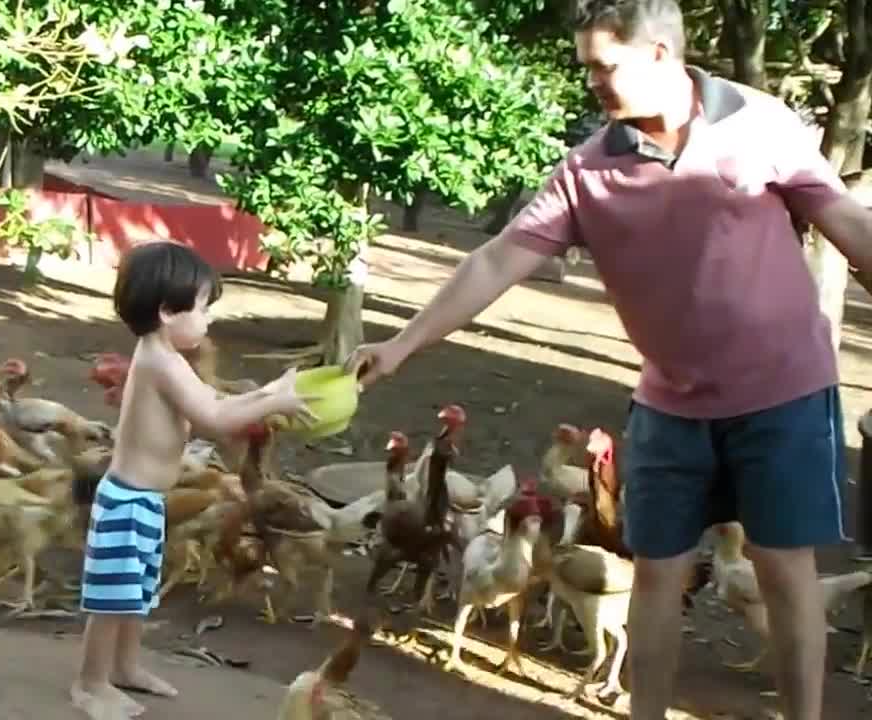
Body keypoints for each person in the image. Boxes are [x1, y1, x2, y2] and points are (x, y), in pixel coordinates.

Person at [346, 1, 872, 718]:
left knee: (784, 570)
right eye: (586, 65)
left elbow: (843, 220)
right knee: (655, 574)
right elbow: (499, 258)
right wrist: (405, 342)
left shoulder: (761, 124)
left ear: (659, 54)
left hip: (782, 393)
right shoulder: (588, 171)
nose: (590, 80)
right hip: (670, 406)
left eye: (603, 64)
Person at [71, 240, 316, 720]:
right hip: (127, 502)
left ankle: (124, 666)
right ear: (167, 310)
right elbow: (215, 418)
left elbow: (215, 402)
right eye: (204, 307)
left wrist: (269, 392)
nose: (209, 319)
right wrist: (273, 402)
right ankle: (89, 684)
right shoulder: (158, 361)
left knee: (136, 595)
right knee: (112, 601)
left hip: (144, 501)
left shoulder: (167, 358)